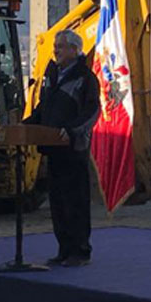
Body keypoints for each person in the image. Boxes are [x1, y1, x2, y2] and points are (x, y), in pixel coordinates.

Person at [25, 30, 100, 267]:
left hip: (73, 150)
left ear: (75, 50)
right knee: (57, 203)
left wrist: (71, 130)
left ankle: (80, 251)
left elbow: (91, 112)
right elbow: (42, 109)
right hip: (52, 149)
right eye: (56, 45)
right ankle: (64, 249)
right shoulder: (51, 76)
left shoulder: (85, 78)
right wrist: (25, 125)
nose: (55, 49)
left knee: (75, 201)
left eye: (61, 46)